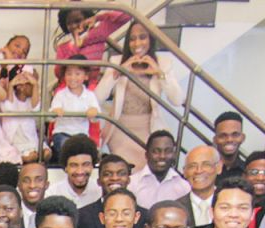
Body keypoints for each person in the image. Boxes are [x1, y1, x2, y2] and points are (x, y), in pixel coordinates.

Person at [94, 21, 182, 169]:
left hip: (149, 128)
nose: (137, 43)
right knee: (126, 172)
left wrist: (159, 74)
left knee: (146, 173)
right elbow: (96, 98)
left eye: (142, 37)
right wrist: (118, 72)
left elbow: (177, 100)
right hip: (120, 129)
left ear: (150, 40)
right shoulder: (116, 61)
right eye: (132, 39)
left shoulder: (163, 63)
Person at [76, 154, 142, 228]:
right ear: (98, 181)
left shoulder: (144, 216)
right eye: (107, 174)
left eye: (121, 173)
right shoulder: (81, 216)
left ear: (128, 179)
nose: (115, 178)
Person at [129, 130, 191, 208]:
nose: (162, 156)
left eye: (167, 151)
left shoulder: (184, 187)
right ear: (146, 155)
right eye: (156, 151)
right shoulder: (131, 184)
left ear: (174, 155)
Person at [47, 135, 102, 210]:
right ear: (65, 167)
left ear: (92, 166)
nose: (80, 171)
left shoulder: (99, 192)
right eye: (74, 165)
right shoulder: (52, 194)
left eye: (85, 164)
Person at [178, 145, 219, 228]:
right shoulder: (175, 208)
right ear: (184, 172)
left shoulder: (230, 206)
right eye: (192, 166)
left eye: (206, 164)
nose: (199, 171)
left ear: (219, 168)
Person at [17, 160, 49, 228]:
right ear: (19, 186)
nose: (32, 186)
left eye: (38, 180)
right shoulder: (11, 214)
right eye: (26, 180)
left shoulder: (56, 214)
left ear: (46, 184)